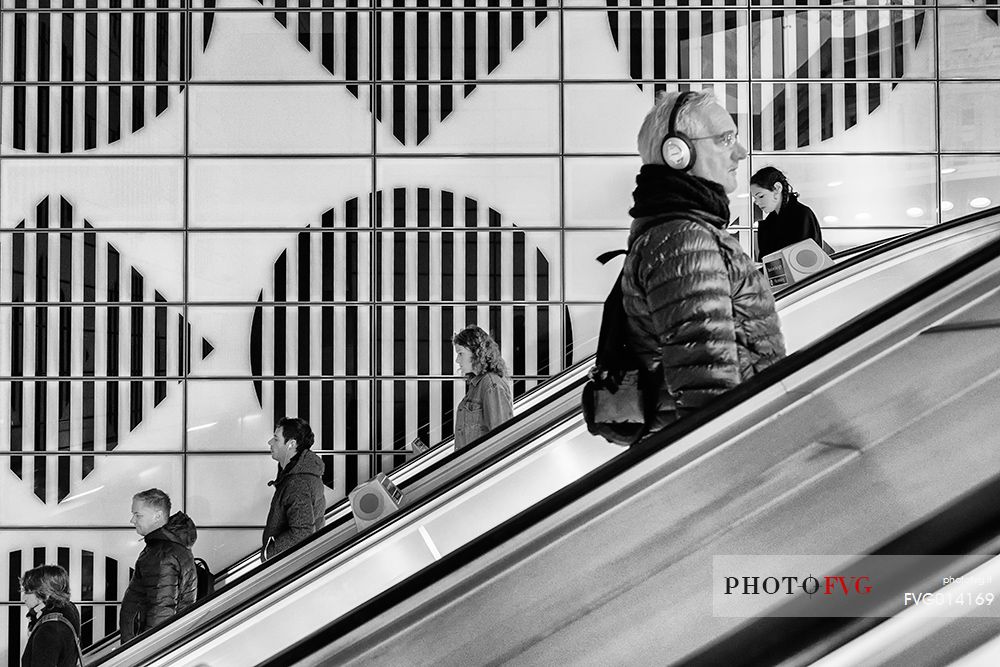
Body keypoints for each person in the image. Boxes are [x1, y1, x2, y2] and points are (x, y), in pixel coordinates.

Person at [622, 89, 786, 433]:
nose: (740, 153)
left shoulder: (685, 230)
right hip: (744, 448)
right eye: (725, 139)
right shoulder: (685, 242)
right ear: (677, 152)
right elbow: (711, 396)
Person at [120, 488, 198, 643]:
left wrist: (147, 651)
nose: (132, 520)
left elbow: (161, 610)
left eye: (138, 515)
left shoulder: (161, 555)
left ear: (157, 516)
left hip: (147, 647)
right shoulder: (169, 547)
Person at [262, 417, 326, 561]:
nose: (270, 442)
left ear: (291, 444)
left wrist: (269, 554)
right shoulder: (298, 474)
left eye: (276, 439)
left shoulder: (297, 482)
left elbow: (302, 533)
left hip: (287, 563)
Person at [452, 325, 513, 452]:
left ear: (476, 353)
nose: (457, 360)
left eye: (460, 354)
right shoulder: (477, 384)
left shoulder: (491, 385)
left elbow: (501, 438)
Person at [750, 165, 825, 260]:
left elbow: (807, 260)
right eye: (754, 198)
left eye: (760, 196)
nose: (756, 202)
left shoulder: (801, 215)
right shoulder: (770, 220)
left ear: (777, 188)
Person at [20, 564, 82, 667]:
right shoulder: (69, 609)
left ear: (45, 593)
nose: (24, 598)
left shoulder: (48, 630)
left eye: (27, 592)